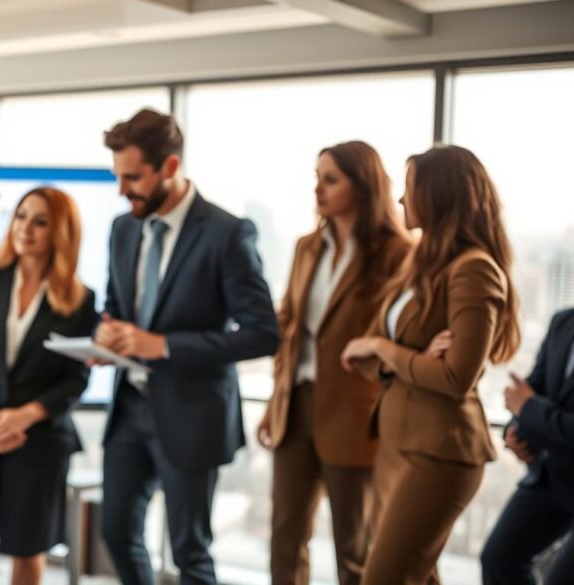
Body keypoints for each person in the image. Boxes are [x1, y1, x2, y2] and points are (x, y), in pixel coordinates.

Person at [94, 108, 280, 585]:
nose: (122, 190)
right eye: (118, 177)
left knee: (189, 554)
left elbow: (262, 333)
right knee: (114, 531)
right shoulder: (124, 228)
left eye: (132, 177)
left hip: (192, 414)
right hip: (130, 411)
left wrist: (163, 346)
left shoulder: (227, 233)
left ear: (170, 167)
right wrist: (107, 336)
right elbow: (117, 304)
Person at [341, 145, 521, 584]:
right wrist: (400, 356)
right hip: (397, 442)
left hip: (438, 453)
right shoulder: (423, 265)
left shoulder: (474, 270)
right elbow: (366, 352)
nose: (400, 200)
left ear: (439, 196)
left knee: (383, 578)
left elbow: (456, 378)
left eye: (409, 189)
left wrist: (388, 352)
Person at [257, 141, 411, 585]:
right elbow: (290, 328)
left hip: (355, 413)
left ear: (362, 185)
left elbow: (397, 332)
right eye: (317, 177)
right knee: (285, 540)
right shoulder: (308, 247)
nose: (318, 189)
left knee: (355, 548)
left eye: (330, 179)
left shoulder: (396, 253)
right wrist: (275, 400)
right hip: (296, 406)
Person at [0, 187, 98, 585]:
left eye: (40, 221)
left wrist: (23, 416)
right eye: (22, 216)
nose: (25, 228)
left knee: (27, 550)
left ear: (61, 232)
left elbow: (75, 378)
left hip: (37, 440)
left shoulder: (79, 300)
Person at [480, 307, 574, 584]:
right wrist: (516, 432)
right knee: (498, 559)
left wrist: (529, 408)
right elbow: (531, 389)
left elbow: (529, 402)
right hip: (553, 475)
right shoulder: (563, 321)